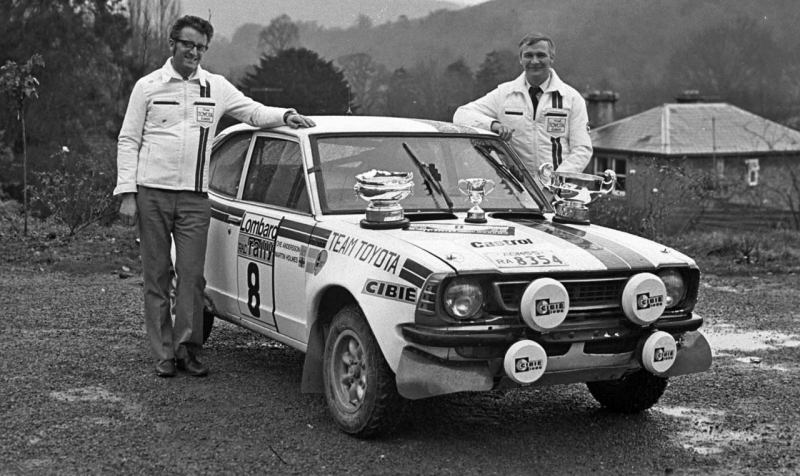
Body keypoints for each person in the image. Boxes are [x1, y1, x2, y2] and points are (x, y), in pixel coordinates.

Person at [115, 15, 315, 378]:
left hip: (194, 198)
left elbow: (253, 111)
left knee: (193, 278)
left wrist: (286, 115)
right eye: (188, 44)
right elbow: (128, 140)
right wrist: (127, 193)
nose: (194, 52)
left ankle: (187, 350)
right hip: (152, 194)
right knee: (156, 277)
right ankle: (163, 354)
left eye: (201, 47)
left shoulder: (215, 87)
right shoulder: (148, 87)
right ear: (172, 44)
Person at [454, 33, 591, 175]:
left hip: (558, 185)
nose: (535, 61)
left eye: (541, 55)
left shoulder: (572, 98)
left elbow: (582, 149)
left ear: (551, 58)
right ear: (520, 59)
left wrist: (555, 180)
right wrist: (494, 125)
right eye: (528, 55)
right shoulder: (504, 94)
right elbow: (461, 114)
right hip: (516, 186)